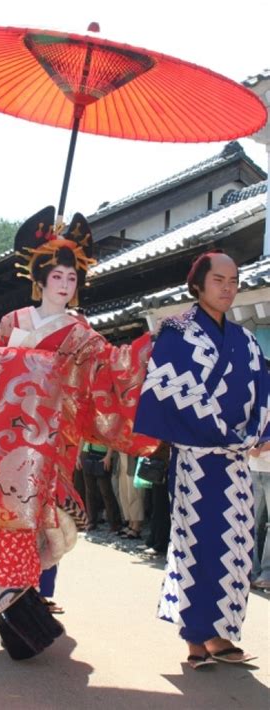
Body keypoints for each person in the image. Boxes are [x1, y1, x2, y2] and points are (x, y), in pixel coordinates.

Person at [0, 205, 158, 660]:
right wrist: (22, 367)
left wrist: (148, 348)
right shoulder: (13, 322)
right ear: (41, 279)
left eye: (72, 279)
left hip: (51, 440)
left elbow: (111, 368)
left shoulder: (80, 332)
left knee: (41, 521)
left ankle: (17, 597)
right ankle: (13, 598)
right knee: (7, 512)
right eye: (58, 278)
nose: (65, 285)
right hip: (4, 439)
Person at [134, 251, 270, 669]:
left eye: (234, 281)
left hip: (234, 462)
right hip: (197, 458)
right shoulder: (177, 331)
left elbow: (264, 389)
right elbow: (170, 390)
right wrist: (223, 433)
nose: (228, 288)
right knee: (198, 543)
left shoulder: (246, 340)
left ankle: (222, 633)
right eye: (219, 280)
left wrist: (261, 432)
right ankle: (196, 638)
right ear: (198, 284)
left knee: (237, 545)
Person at [79, 441, 122, 533]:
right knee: (90, 490)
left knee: (106, 490)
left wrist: (108, 456)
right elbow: (82, 437)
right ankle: (91, 521)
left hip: (103, 454)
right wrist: (78, 456)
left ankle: (115, 523)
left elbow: (111, 438)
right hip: (86, 452)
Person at [248, 435, 270, 590]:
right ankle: (253, 572)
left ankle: (265, 574)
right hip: (254, 468)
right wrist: (251, 449)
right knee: (252, 524)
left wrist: (261, 448)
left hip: (262, 467)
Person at [116, 451, 143, 539]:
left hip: (134, 454)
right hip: (123, 452)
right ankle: (130, 523)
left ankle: (136, 526)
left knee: (134, 492)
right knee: (124, 491)